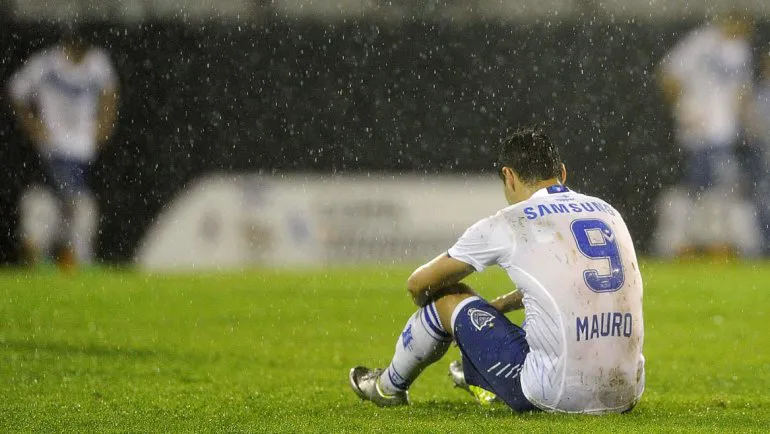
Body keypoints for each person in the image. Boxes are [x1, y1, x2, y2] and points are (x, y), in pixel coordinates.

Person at [349, 127, 645, 414]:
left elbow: (417, 284)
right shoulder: (608, 211)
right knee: (542, 313)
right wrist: (502, 305)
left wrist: (433, 307)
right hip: (626, 392)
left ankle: (388, 387)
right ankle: (482, 377)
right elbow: (576, 283)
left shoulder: (510, 221)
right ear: (562, 173)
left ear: (509, 176)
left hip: (556, 394)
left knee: (448, 295)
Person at [8, 24, 118, 269]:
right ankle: (42, 259)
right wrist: (34, 126)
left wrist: (105, 124)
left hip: (81, 151)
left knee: (79, 207)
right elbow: (16, 91)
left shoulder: (97, 63)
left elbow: (111, 90)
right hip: (53, 149)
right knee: (50, 205)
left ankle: (73, 261)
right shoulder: (46, 64)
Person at [654, 12, 758, 257]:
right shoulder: (701, 42)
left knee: (720, 190)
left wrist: (747, 124)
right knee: (697, 190)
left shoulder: (740, 49)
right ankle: (686, 243)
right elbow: (668, 73)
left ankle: (715, 243)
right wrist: (683, 108)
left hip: (724, 133)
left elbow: (741, 92)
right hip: (698, 133)